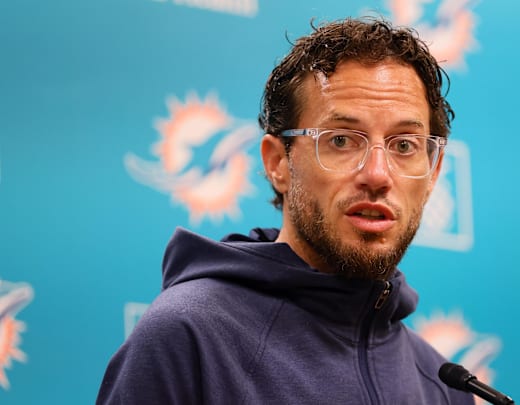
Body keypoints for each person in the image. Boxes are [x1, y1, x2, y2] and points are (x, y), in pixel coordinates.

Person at [97, 17, 473, 405]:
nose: (377, 175)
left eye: (404, 145)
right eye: (341, 140)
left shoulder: (446, 388)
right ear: (278, 162)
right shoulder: (187, 338)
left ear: (433, 174)